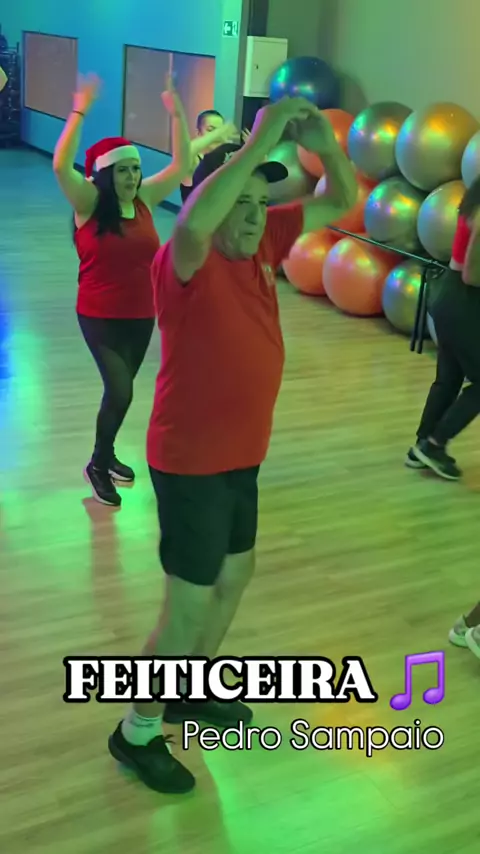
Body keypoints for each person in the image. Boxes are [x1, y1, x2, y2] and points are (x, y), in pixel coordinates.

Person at [107, 96, 358, 793]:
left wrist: (324, 143)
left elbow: (341, 196)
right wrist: (260, 137)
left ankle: (190, 690)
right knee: (186, 605)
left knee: (234, 576)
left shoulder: (265, 240)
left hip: (243, 455)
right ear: (212, 201)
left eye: (260, 203)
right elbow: (195, 221)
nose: (252, 217)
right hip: (190, 462)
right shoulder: (184, 259)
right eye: (239, 202)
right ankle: (136, 730)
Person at [53, 73, 190, 507]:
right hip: (99, 315)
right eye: (123, 170)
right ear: (105, 174)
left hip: (142, 314)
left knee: (120, 394)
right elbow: (60, 166)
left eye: (136, 168)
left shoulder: (144, 199)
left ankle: (107, 454)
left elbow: (182, 165)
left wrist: (177, 114)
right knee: (121, 391)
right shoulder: (89, 203)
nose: (132, 176)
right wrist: (80, 109)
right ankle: (97, 464)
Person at [406, 176, 480, 480]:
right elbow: (473, 275)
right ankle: (435, 444)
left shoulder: (474, 201)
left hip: (450, 297)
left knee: (448, 379)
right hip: (464, 301)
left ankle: (421, 446)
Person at [179, 109, 246, 204]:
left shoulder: (225, 158)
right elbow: (185, 152)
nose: (219, 135)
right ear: (198, 133)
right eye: (211, 130)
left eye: (220, 131)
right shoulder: (194, 161)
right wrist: (218, 133)